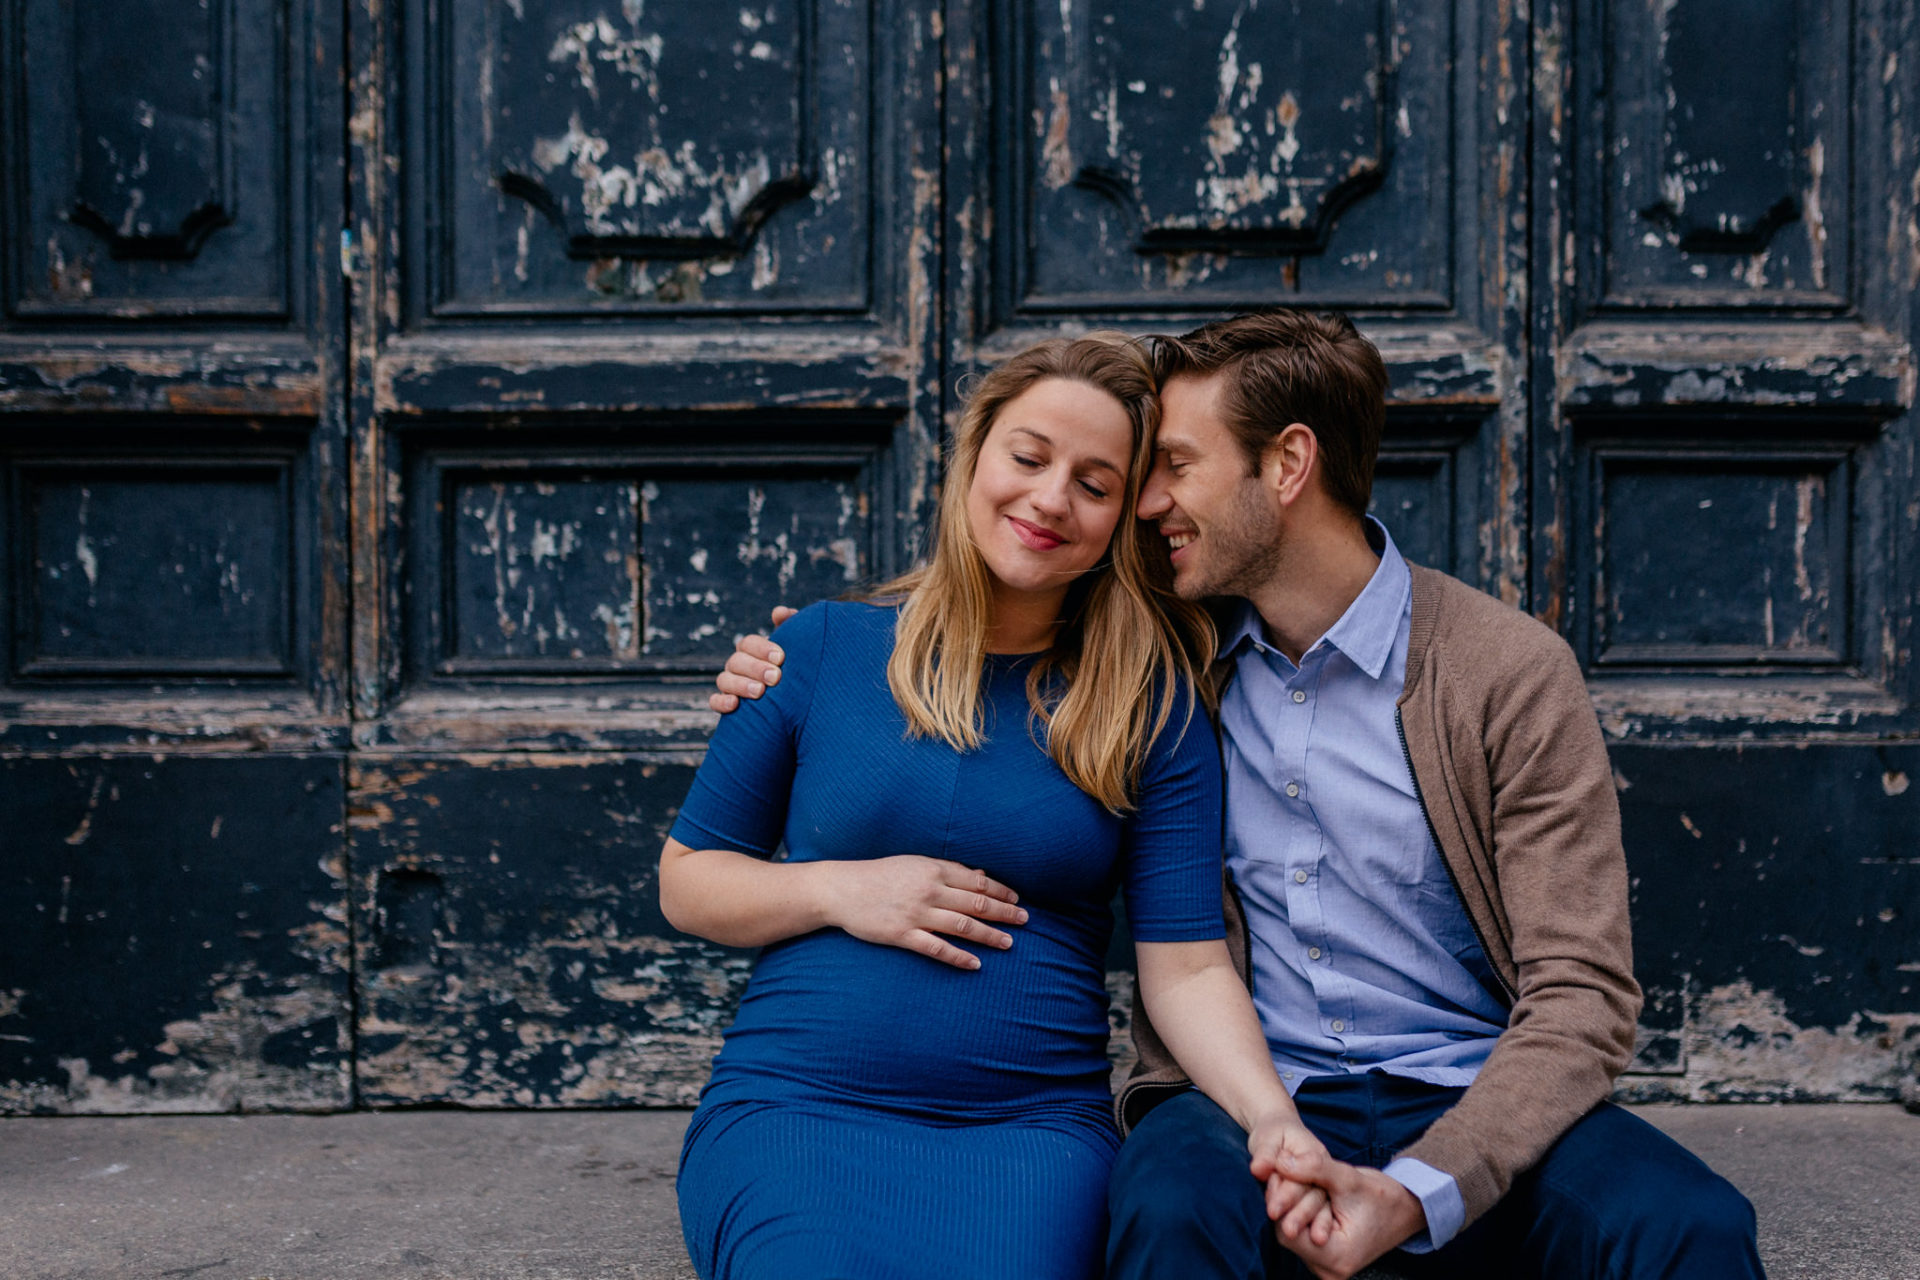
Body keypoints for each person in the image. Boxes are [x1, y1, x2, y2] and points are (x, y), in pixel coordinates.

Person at [713, 310, 1766, 1280]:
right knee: (1168, 1211)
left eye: (1171, 466)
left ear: (1289, 462)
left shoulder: (1506, 671)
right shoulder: (1171, 661)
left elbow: (1583, 993)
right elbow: (1000, 610)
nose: (1148, 502)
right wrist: (808, 655)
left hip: (1469, 1088)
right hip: (1244, 1095)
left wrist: (1420, 1188)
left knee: (1692, 1224)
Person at [660, 332, 1327, 1280]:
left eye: (1096, 485)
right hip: (796, 1110)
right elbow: (688, 883)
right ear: (973, 456)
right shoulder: (817, 650)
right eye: (1028, 457)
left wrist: (1271, 1119)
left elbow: (1184, 966)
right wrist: (841, 893)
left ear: (1123, 522)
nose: (1051, 499)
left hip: (1028, 1131)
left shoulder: (1152, 703)